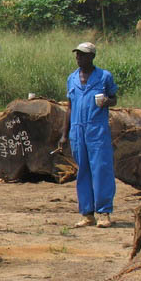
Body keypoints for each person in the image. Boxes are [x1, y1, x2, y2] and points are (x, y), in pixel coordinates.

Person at [59, 41, 118, 228]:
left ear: (92, 56)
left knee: (101, 169)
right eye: (77, 54)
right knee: (83, 170)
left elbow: (114, 99)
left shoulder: (104, 76)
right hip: (77, 130)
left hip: (96, 129)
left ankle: (104, 212)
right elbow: (69, 108)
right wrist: (64, 135)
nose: (78, 57)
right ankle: (87, 213)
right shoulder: (72, 78)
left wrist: (106, 101)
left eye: (83, 54)